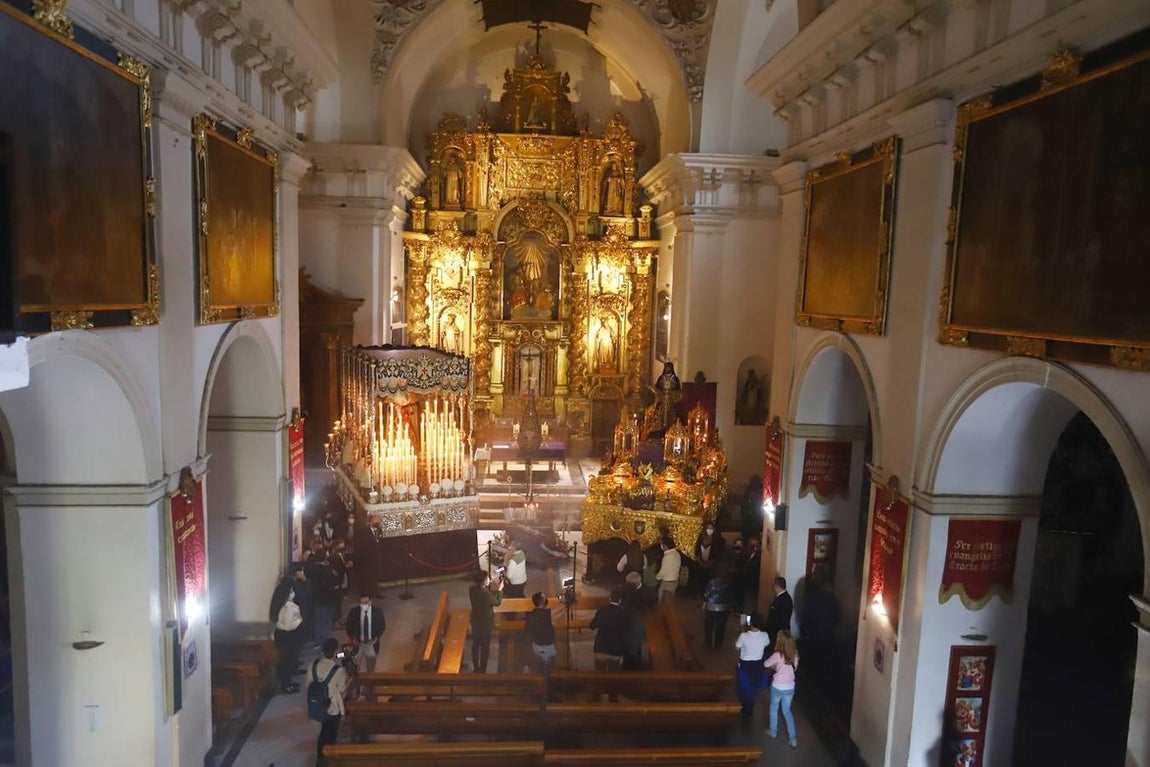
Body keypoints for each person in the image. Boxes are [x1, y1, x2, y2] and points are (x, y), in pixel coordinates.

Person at [269, 563, 308, 693]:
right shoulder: (291, 586)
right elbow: (303, 599)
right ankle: (286, 684)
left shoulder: (283, 586)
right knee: (286, 657)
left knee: (289, 655)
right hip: (288, 630)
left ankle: (290, 676)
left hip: (284, 629)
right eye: (301, 571)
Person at [310, 637, 349, 766]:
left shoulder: (313, 665)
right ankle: (329, 759)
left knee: (323, 731)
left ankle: (319, 758)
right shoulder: (338, 670)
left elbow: (309, 683)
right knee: (331, 734)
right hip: (333, 707)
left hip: (317, 705)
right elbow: (342, 689)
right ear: (335, 651)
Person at [764, 630, 800, 747]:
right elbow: (794, 668)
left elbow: (766, 664)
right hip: (790, 687)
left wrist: (775, 666)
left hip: (777, 686)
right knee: (787, 711)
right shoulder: (795, 654)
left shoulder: (777, 655)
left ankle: (773, 731)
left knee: (774, 708)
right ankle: (793, 739)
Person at [734, 612, 771, 721]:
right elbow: (766, 644)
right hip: (758, 664)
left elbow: (736, 647)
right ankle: (750, 707)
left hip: (745, 664)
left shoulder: (744, 636)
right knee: (754, 687)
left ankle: (745, 707)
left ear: (750, 623)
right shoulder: (765, 635)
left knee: (743, 687)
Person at [468, 569, 503, 672]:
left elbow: (485, 594)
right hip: (485, 623)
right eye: (487, 578)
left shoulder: (472, 589)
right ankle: (483, 668)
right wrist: (500, 590)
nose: (489, 579)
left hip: (475, 620)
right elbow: (496, 602)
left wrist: (488, 582)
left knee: (475, 644)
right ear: (484, 581)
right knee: (485, 646)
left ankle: (476, 666)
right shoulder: (486, 594)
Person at [344, 592, 385, 674]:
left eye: (365, 602)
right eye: (361, 603)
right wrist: (353, 638)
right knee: (354, 667)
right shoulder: (354, 612)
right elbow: (348, 626)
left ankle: (369, 684)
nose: (363, 605)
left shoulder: (378, 611)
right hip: (357, 643)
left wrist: (377, 637)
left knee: (370, 668)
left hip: (371, 643)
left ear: (370, 601)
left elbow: (382, 626)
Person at [589, 587, 629, 671]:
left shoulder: (602, 611)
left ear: (610, 599)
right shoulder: (624, 613)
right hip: (616, 649)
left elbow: (592, 626)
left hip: (601, 647)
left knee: (599, 675)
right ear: (620, 600)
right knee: (614, 676)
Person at [702, 563, 733, 650]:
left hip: (711, 607)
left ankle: (708, 644)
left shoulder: (711, 582)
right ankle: (717, 644)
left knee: (708, 626)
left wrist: (704, 605)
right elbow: (730, 596)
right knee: (720, 627)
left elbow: (706, 594)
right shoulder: (728, 583)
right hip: (724, 608)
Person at [525, 592, 557, 670]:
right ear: (542, 602)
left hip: (537, 645)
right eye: (545, 598)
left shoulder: (530, 615)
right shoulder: (548, 613)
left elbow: (528, 631)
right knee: (551, 668)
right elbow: (560, 611)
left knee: (539, 666)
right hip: (548, 645)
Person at [693, 523, 725, 595]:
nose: (709, 530)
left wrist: (709, 564)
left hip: (711, 567)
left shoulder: (717, 540)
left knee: (709, 583)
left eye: (711, 528)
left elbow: (717, 554)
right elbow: (697, 552)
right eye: (708, 528)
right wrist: (701, 562)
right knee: (700, 582)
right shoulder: (700, 539)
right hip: (700, 565)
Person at [765, 576, 793, 649]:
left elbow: (779, 618)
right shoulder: (785, 597)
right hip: (780, 632)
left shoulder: (782, 600)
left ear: (777, 586)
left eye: (774, 585)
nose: (772, 587)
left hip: (778, 633)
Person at [655, 536, 682, 603]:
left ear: (666, 545)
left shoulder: (668, 556)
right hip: (675, 581)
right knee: (670, 601)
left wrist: (657, 577)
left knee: (662, 602)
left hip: (667, 583)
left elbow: (663, 571)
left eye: (662, 544)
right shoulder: (677, 553)